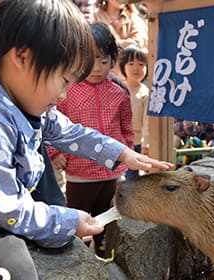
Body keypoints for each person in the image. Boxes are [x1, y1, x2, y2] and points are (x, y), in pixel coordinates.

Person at [0, 1, 174, 279]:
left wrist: (123, 153)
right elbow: (7, 208)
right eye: (64, 80)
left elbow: (72, 132)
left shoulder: (32, 107)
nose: (63, 95)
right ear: (23, 57)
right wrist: (66, 222)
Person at [47, 22, 133, 257]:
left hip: (112, 171)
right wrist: (55, 154)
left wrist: (127, 153)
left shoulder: (119, 92)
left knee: (108, 215)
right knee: (78, 216)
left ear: (113, 60)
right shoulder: (67, 90)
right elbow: (50, 126)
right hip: (79, 172)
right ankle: (79, 258)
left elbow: (127, 127)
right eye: (91, 61)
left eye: (104, 61)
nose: (97, 68)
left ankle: (105, 254)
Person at [119, 44, 149, 180]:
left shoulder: (145, 93)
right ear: (123, 66)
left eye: (141, 64)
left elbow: (147, 121)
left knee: (131, 178)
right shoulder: (117, 88)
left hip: (135, 142)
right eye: (131, 63)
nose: (136, 68)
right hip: (117, 141)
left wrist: (145, 144)